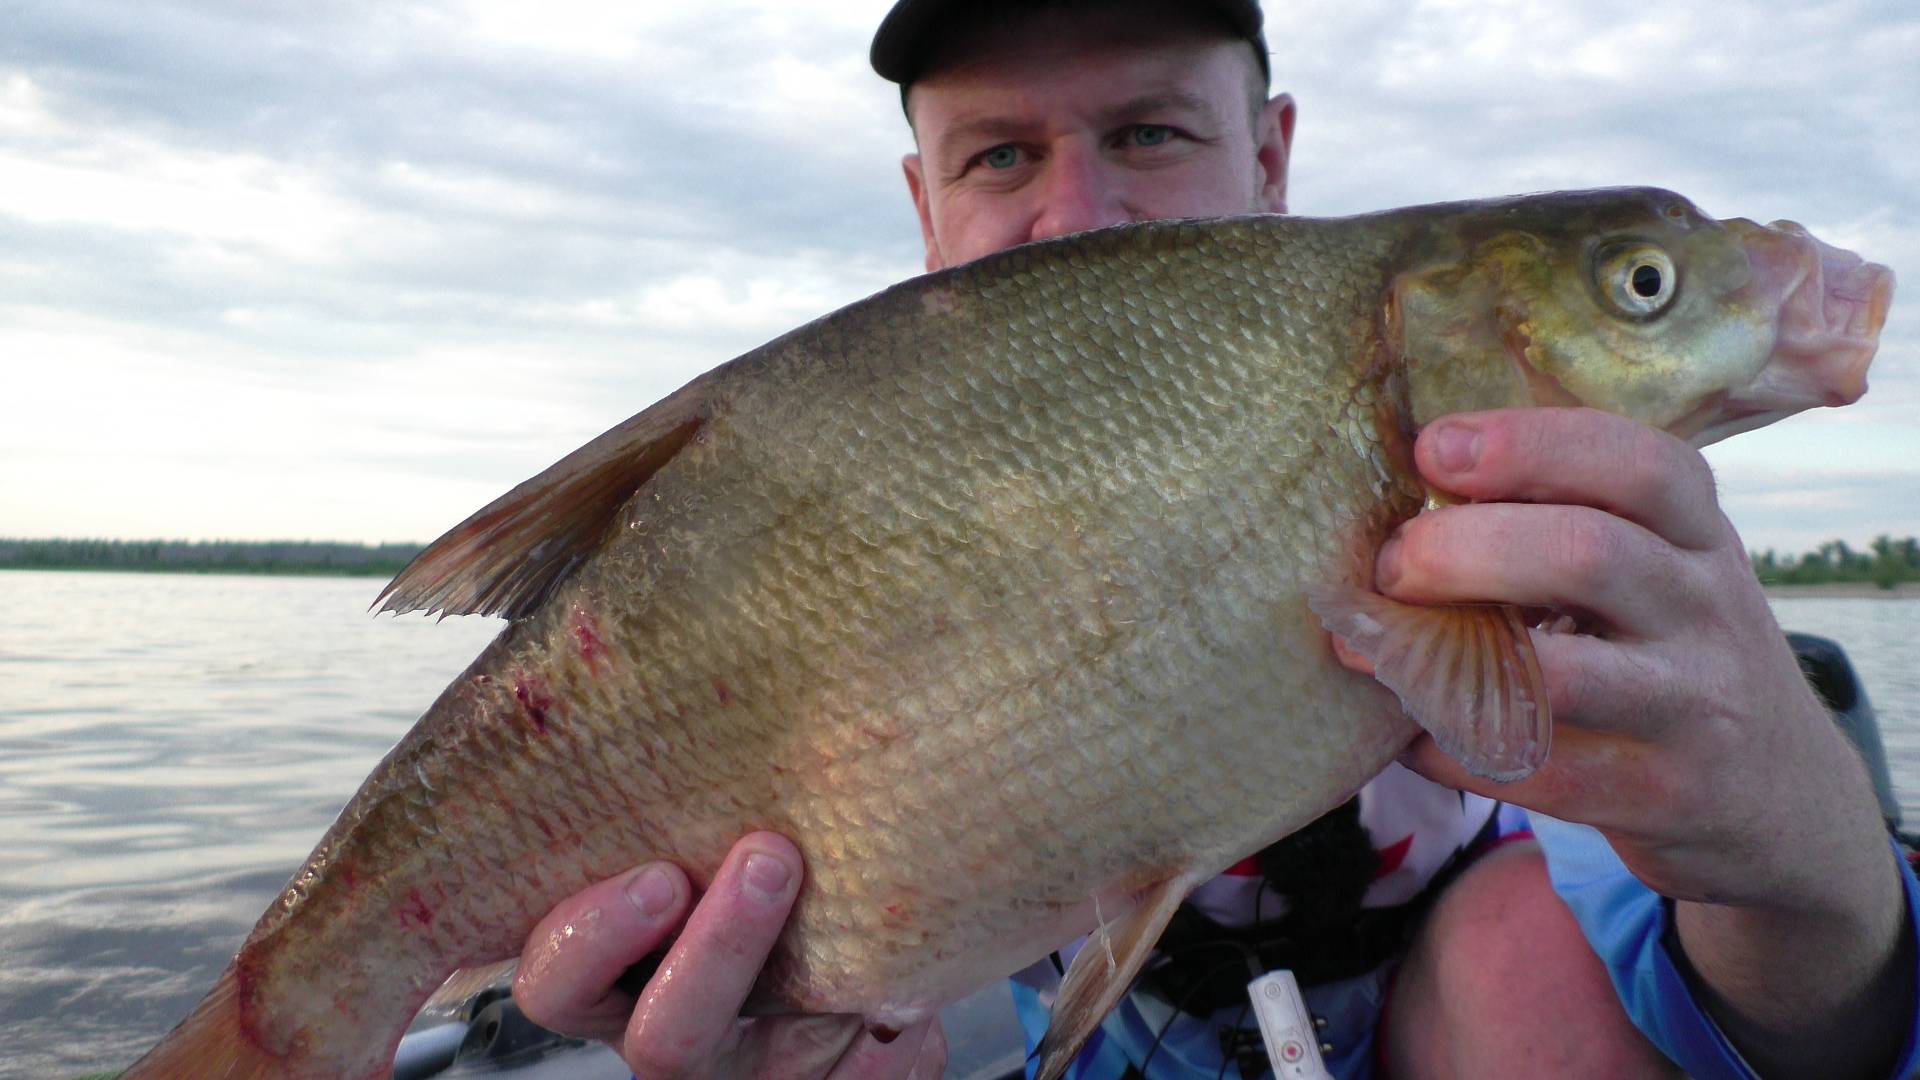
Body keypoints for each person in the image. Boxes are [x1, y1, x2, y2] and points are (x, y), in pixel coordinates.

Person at [509, 2, 1920, 1077]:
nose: (1080, 212)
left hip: (1445, 992)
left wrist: (1815, 869)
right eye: (1002, 154)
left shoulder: (1544, 508)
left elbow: (1784, 995)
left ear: (1273, 153)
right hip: (1058, 999)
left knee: (1527, 963)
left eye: (1148, 133)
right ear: (925, 210)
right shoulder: (818, 514)